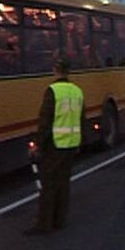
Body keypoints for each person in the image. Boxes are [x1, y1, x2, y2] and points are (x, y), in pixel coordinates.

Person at [24, 57, 84, 236]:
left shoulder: (52, 91)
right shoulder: (77, 91)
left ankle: (44, 224)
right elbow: (81, 118)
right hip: (72, 144)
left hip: (55, 145)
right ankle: (60, 220)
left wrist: (38, 145)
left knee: (48, 185)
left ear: (56, 70)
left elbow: (46, 121)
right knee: (63, 183)